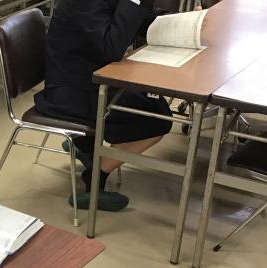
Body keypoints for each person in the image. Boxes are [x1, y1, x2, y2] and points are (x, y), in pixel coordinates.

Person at [34, 0, 174, 212]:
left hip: (92, 80)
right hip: (70, 93)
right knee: (157, 119)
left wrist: (184, 22)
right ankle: (95, 176)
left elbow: (142, 21)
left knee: (153, 105)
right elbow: (112, 47)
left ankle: (85, 147)